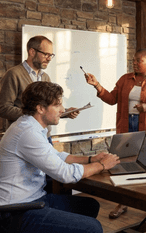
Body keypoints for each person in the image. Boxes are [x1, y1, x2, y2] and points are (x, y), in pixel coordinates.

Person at [0, 81, 120, 233]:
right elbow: (66, 174)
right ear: (41, 108)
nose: (63, 110)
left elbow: (56, 155)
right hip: (16, 210)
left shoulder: (33, 127)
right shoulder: (27, 133)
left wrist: (91, 159)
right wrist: (102, 165)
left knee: (90, 206)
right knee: (93, 228)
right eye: (57, 105)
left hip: (34, 199)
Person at [84, 48, 146, 219]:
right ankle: (122, 203)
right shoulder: (125, 79)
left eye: (139, 60)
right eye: (133, 60)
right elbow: (111, 99)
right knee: (122, 166)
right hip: (126, 127)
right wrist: (97, 85)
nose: (135, 63)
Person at [0, 35, 79, 131]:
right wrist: (33, 114)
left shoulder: (45, 77)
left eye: (51, 55)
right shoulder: (13, 74)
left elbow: (47, 108)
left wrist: (65, 112)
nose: (49, 59)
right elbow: (3, 108)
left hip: (44, 135)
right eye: (46, 54)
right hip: (24, 135)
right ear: (32, 52)